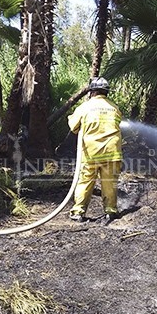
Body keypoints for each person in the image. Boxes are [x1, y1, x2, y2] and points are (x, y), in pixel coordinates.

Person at [67, 77, 123, 224]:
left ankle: (78, 212)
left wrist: (71, 118)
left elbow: (73, 127)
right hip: (112, 152)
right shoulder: (115, 108)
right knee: (109, 183)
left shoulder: (85, 107)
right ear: (106, 92)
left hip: (91, 153)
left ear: (92, 92)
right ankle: (111, 211)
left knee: (85, 182)